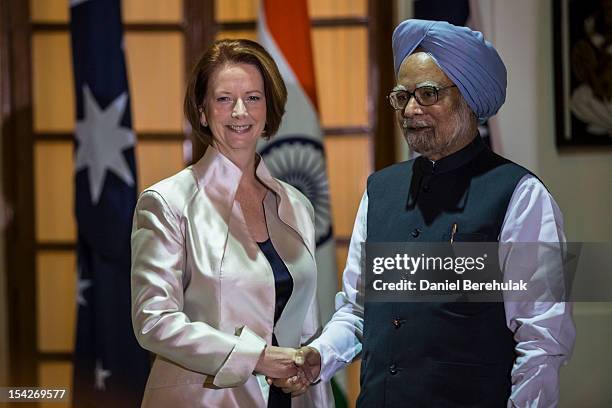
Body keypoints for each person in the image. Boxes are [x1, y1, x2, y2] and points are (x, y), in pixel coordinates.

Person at [273, 19, 576, 407]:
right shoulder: (380, 190)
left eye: (429, 93)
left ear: (467, 97)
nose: (412, 109)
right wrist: (319, 357)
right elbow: (359, 311)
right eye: (403, 96)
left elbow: (542, 343)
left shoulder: (520, 195)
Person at [130, 38, 334, 407]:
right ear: (203, 111)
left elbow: (306, 323)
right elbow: (152, 320)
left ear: (268, 109)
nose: (240, 111)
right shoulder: (166, 202)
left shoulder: (297, 204)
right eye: (224, 99)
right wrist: (255, 356)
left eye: (253, 98)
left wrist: (307, 367)